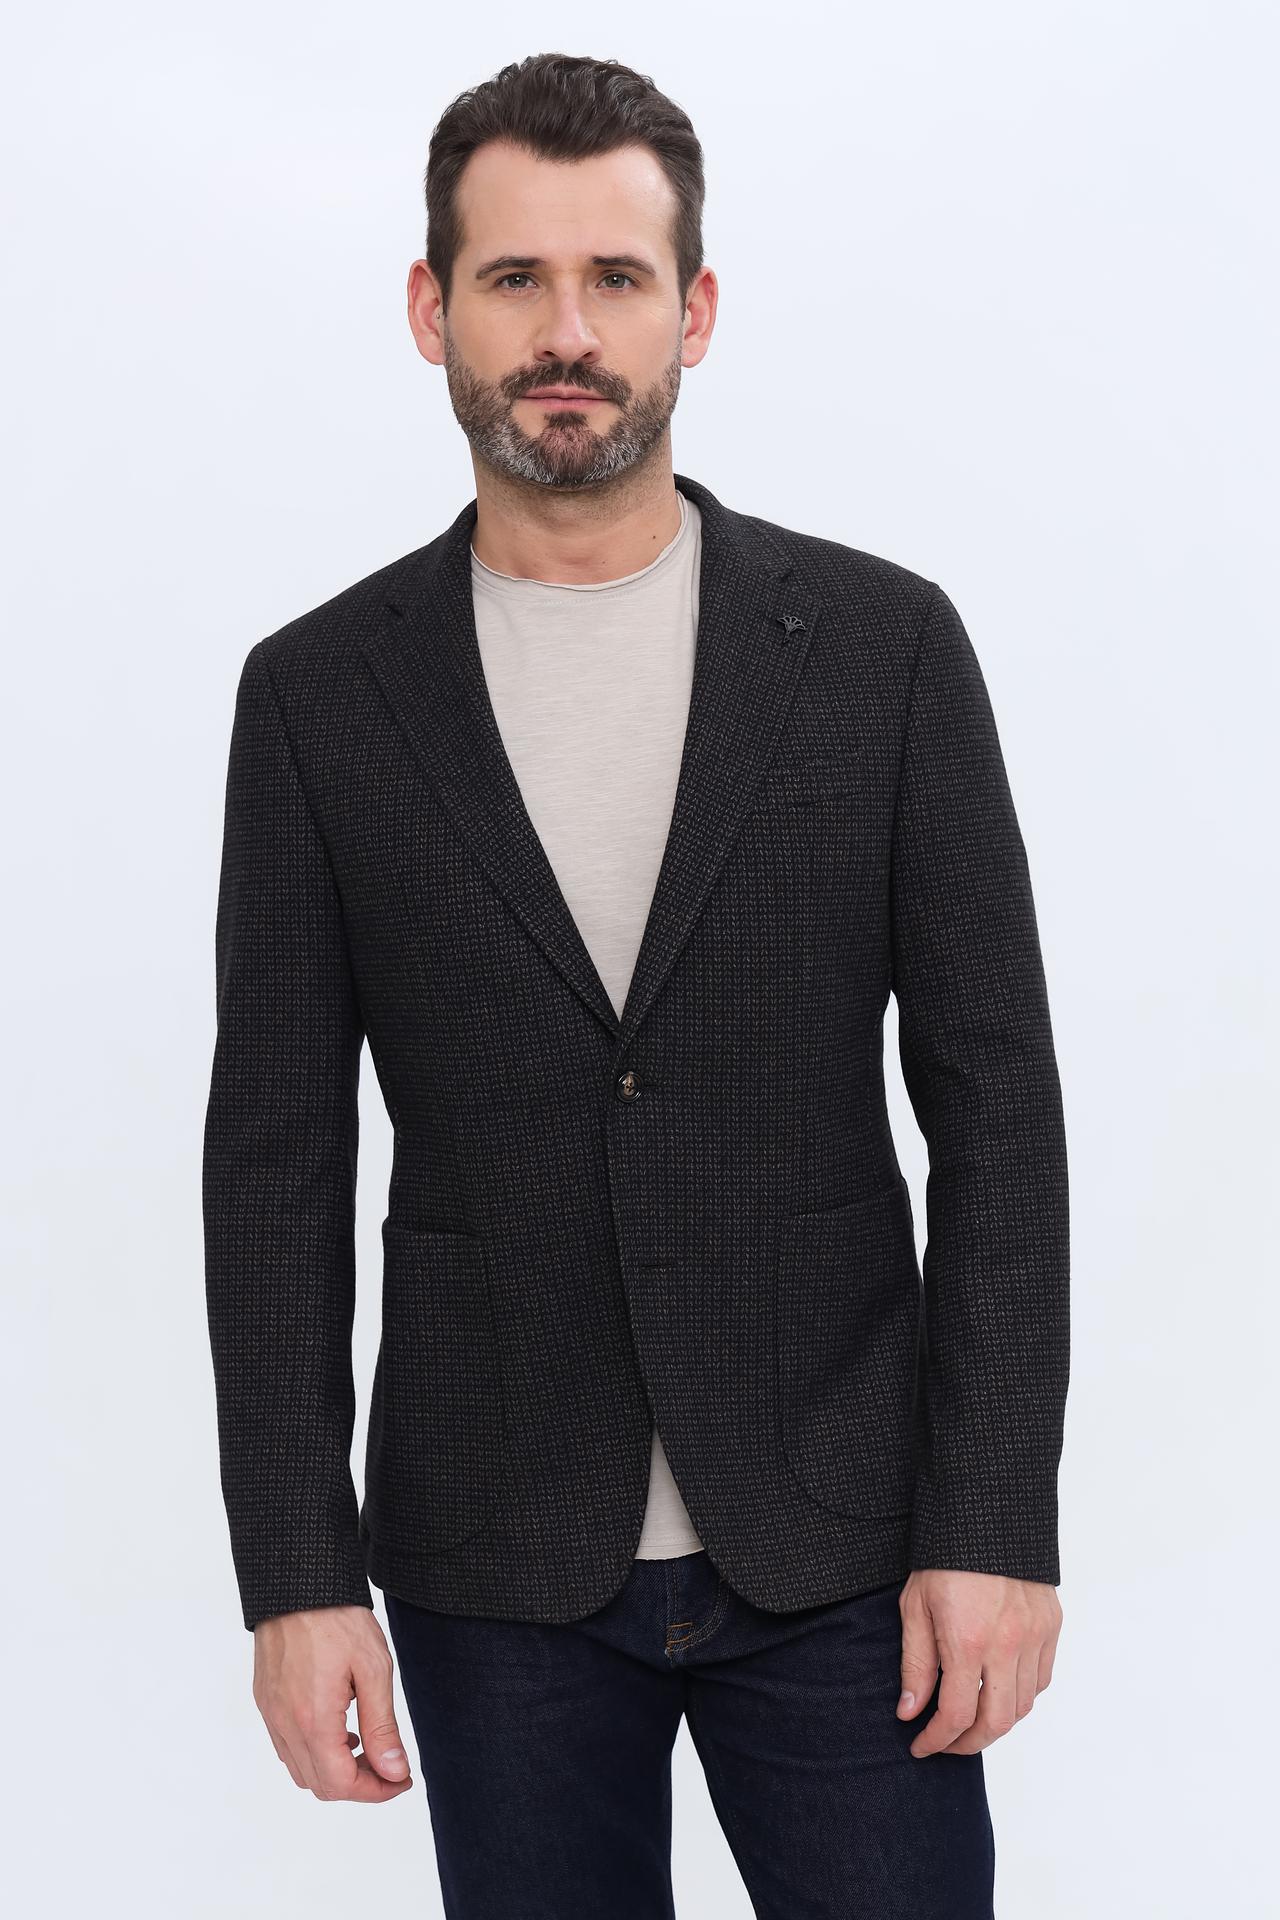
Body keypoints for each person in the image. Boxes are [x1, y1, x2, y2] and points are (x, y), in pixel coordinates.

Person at [202, 50, 1070, 1920]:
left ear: (697, 308)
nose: (567, 333)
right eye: (514, 278)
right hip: (492, 1551)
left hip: (849, 1548)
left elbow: (1000, 1111)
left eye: (616, 277)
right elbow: (272, 1166)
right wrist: (297, 1574)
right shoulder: (320, 696)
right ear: (432, 308)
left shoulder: (884, 652)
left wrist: (995, 1519)